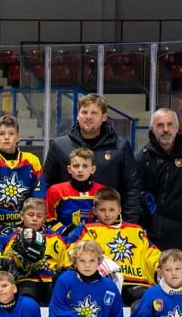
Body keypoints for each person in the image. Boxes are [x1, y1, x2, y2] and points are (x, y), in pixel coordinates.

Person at [42, 93, 141, 224]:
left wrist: (129, 224)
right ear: (78, 115)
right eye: (84, 112)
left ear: (104, 116)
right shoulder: (60, 145)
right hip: (66, 228)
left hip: (108, 225)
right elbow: (46, 184)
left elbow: (131, 188)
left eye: (94, 113)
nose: (88, 117)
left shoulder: (120, 146)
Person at [137, 108, 182, 285]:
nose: (165, 129)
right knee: (155, 293)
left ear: (177, 127)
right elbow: (135, 196)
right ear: (153, 129)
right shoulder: (142, 158)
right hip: (153, 239)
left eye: (170, 124)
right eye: (160, 125)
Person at [78, 188, 160, 308]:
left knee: (149, 302)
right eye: (102, 210)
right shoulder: (89, 230)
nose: (107, 214)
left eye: (112, 210)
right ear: (94, 210)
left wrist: (160, 268)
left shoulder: (135, 230)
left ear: (119, 210)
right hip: (104, 284)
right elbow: (79, 252)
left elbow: (152, 255)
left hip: (137, 283)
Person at [0, 115, 43, 235]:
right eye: (1, 134)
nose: (6, 137)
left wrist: (30, 224)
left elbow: (38, 197)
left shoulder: (32, 161)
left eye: (11, 133)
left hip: (27, 227)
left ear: (18, 137)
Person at [45, 148, 104, 243]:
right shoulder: (56, 191)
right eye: (76, 166)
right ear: (69, 169)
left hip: (96, 241)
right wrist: (69, 233)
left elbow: (109, 218)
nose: (80, 170)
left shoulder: (102, 192)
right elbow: (48, 219)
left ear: (93, 169)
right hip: (64, 241)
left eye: (85, 166)